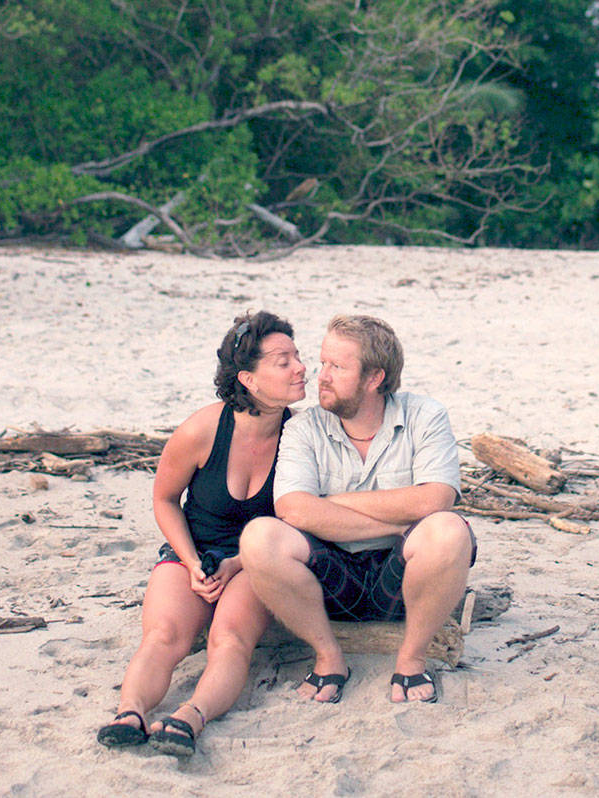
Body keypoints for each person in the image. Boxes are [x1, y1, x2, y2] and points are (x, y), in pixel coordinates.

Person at [96, 311, 306, 756]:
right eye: (283, 361)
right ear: (248, 378)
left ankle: (190, 717)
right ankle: (129, 713)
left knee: (229, 640)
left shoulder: (302, 436)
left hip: (257, 561)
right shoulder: (203, 430)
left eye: (297, 356)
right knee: (163, 636)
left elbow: (303, 519)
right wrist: (191, 562)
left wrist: (240, 563)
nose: (300, 368)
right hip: (194, 550)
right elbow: (165, 500)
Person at [239, 314, 474, 705]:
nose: (321, 376)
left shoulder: (425, 416)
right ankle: (328, 657)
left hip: (403, 576)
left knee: (449, 529)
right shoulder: (303, 428)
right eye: (323, 363)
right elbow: (293, 510)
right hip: (332, 578)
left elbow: (435, 500)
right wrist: (397, 524)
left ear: (374, 378)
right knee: (259, 537)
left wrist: (331, 505)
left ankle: (412, 659)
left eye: (337, 367)